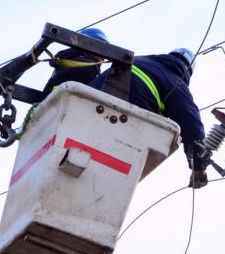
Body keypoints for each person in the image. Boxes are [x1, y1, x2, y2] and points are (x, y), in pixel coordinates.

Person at [89, 48, 208, 189]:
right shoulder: (176, 82)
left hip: (87, 107)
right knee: (108, 182)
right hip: (126, 127)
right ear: (188, 71)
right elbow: (193, 129)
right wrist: (198, 169)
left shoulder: (139, 60)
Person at [41, 27, 109, 98]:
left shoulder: (67, 62)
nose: (104, 58)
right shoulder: (87, 66)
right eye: (102, 50)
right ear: (91, 46)